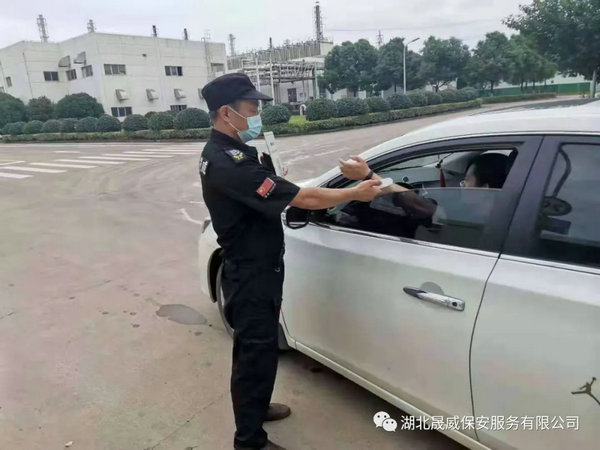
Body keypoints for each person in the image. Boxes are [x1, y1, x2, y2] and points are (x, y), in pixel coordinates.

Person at [199, 73, 382, 450]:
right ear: (227, 113)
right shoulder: (228, 161)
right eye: (252, 108)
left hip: (257, 267)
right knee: (254, 353)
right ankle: (249, 441)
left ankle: (256, 407)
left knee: (261, 349)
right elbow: (304, 199)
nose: (257, 114)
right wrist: (354, 193)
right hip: (250, 274)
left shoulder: (233, 151)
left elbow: (264, 190)